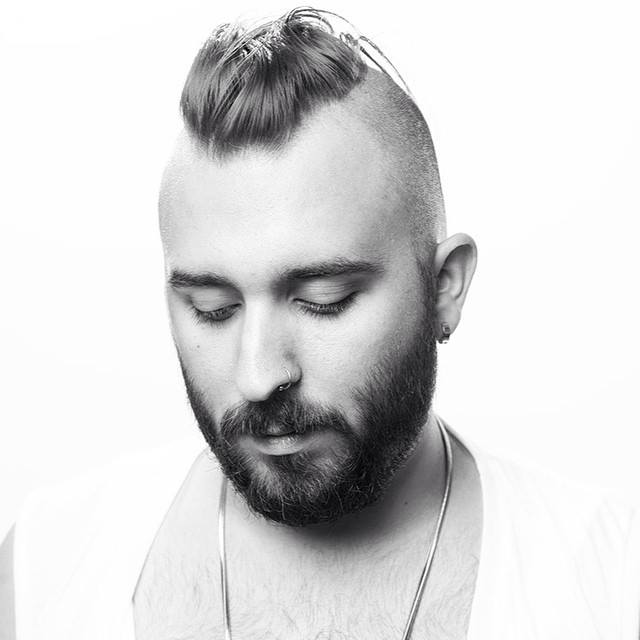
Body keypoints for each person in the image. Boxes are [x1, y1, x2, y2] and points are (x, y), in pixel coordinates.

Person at [2, 7, 639, 639]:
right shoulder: (46, 564)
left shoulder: (613, 584)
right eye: (213, 309)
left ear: (445, 287)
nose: (258, 376)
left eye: (323, 299)